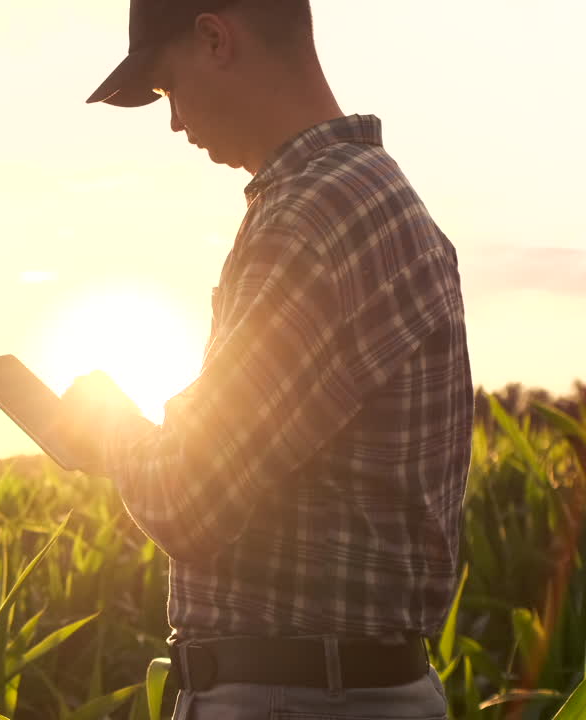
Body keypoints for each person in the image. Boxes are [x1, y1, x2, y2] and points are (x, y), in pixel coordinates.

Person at [56, 1, 473, 718]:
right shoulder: (373, 200)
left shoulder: (315, 219)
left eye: (165, 88)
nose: (176, 122)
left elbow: (192, 495)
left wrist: (108, 428)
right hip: (343, 688)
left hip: (299, 697)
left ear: (215, 37)